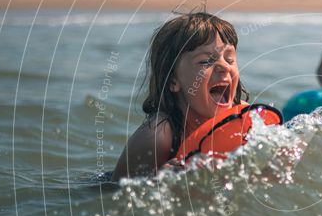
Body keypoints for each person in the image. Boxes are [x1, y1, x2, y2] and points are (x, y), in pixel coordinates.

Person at [111, 13, 281, 181]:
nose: (224, 67)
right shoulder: (157, 136)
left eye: (229, 59)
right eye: (205, 61)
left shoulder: (245, 117)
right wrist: (161, 182)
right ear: (173, 81)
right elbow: (114, 196)